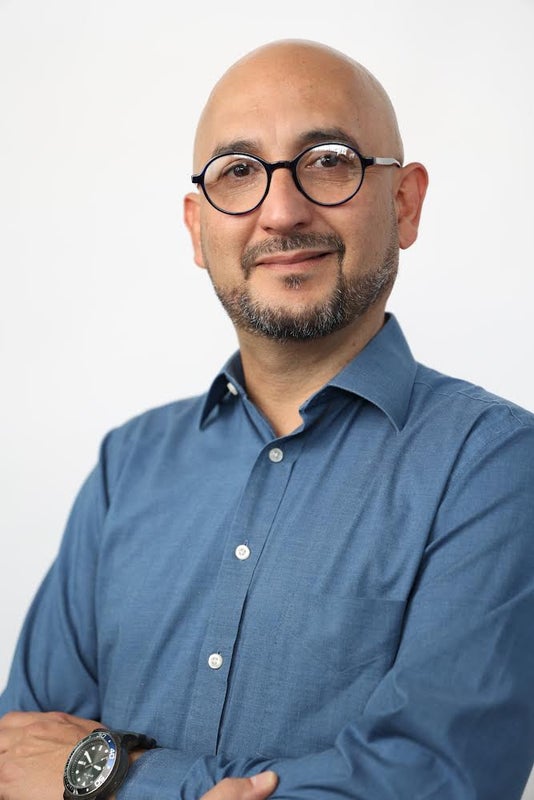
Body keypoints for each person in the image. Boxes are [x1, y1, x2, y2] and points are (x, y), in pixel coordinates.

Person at [0, 38, 533, 800]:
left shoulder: (497, 468)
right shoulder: (127, 468)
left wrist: (116, 778)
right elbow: (17, 761)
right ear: (197, 228)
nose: (281, 212)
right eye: (239, 171)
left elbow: (431, 781)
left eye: (329, 161)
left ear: (405, 203)